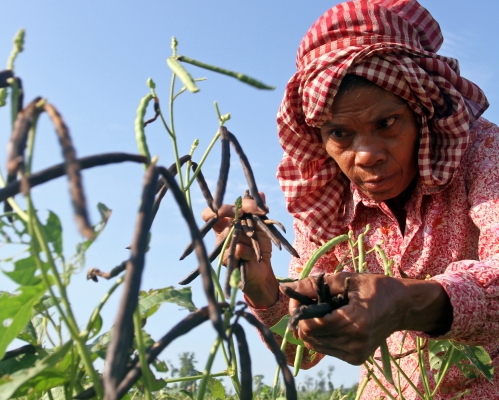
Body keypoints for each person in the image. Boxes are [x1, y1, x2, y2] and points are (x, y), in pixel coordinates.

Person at [203, 0, 499, 398]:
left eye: (386, 123)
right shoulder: (325, 200)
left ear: (422, 112)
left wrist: (407, 302)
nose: (366, 154)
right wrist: (262, 285)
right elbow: (301, 354)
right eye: (341, 134)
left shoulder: (482, 154)